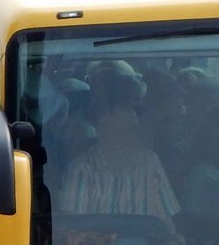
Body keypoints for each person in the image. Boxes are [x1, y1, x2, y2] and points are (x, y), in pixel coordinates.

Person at [60, 64, 180, 228]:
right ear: (101, 129)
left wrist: (175, 242)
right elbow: (73, 229)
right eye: (117, 129)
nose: (125, 135)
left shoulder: (150, 162)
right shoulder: (82, 168)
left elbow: (166, 221)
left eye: (130, 129)